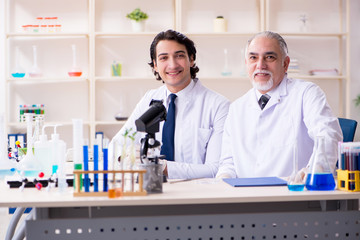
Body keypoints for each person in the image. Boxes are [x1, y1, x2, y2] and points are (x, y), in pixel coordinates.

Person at [216, 31, 343, 179]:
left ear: (285, 63)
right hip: (246, 197)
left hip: (294, 194)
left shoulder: (306, 93)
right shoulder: (237, 107)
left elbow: (328, 135)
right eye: (253, 58)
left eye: (270, 57)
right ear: (246, 64)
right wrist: (223, 180)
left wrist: (313, 171)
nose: (260, 65)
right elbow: (228, 162)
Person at [110, 29, 230, 179]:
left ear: (191, 59)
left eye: (179, 56)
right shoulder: (149, 99)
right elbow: (115, 146)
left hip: (197, 195)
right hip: (152, 190)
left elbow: (216, 169)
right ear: (155, 65)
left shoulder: (219, 106)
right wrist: (128, 157)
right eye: (163, 58)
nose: (172, 65)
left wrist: (162, 167)